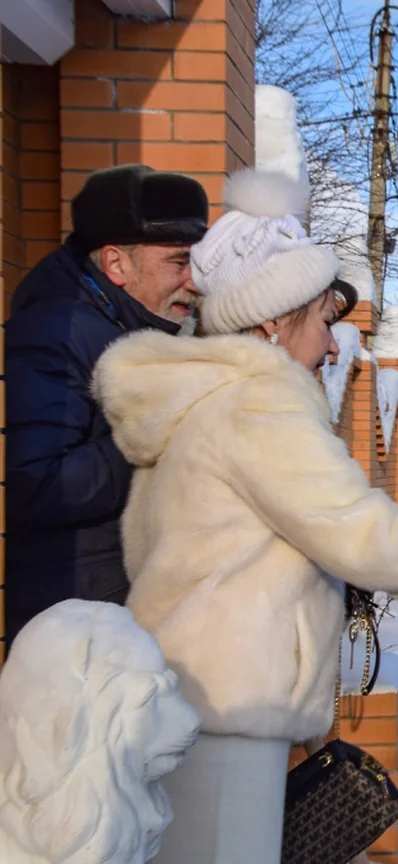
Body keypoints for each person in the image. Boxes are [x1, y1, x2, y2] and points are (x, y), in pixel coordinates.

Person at [91, 169, 398, 864]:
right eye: (320, 323)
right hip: (231, 705)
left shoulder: (203, 397)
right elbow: (372, 542)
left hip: (195, 694)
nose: (333, 347)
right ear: (273, 320)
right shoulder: (259, 405)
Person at [4, 164, 210, 644]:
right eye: (178, 262)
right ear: (117, 264)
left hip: (106, 617)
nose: (194, 282)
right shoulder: (57, 331)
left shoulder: (132, 330)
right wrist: (155, 431)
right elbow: (36, 483)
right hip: (69, 627)